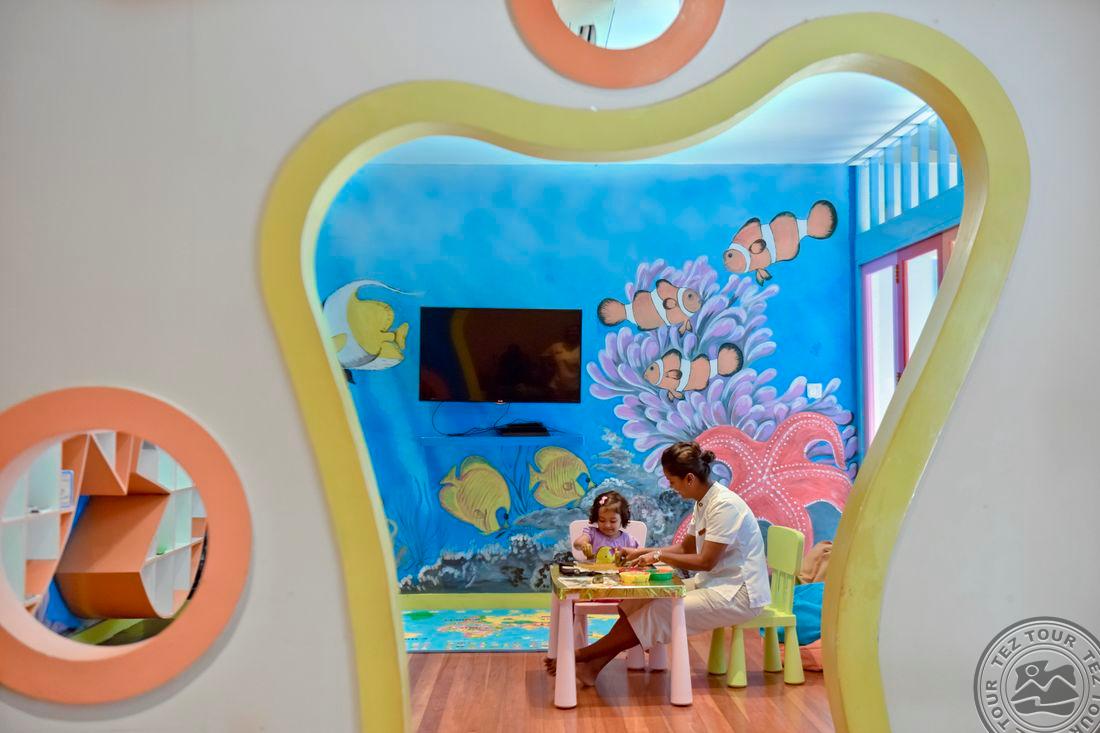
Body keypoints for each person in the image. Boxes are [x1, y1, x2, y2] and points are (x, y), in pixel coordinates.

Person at [545, 440, 771, 686]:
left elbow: (705, 561)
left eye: (672, 481)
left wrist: (657, 556)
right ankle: (592, 667)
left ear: (690, 479)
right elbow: (685, 548)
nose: (671, 487)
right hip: (715, 583)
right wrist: (642, 551)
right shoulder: (703, 502)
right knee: (641, 599)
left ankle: (579, 655)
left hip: (739, 594)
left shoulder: (724, 506)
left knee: (661, 610)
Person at [573, 491, 639, 560]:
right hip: (594, 567)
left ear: (622, 519)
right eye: (602, 520)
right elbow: (577, 544)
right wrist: (584, 544)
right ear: (596, 518)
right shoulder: (591, 533)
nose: (607, 525)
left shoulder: (628, 539)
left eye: (613, 521)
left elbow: (638, 554)